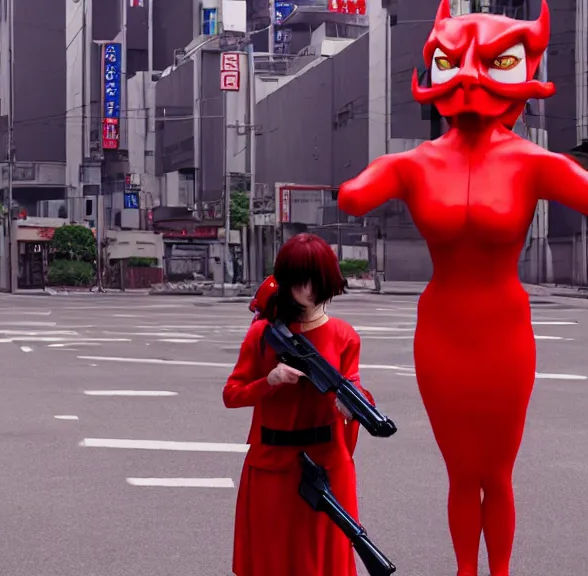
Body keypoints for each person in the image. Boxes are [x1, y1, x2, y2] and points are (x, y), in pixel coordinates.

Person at [336, 2, 588, 573]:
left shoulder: (533, 162)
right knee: (459, 472)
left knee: (497, 473)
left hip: (504, 334)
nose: (472, 77)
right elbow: (353, 195)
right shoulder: (416, 164)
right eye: (456, 62)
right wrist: (376, 177)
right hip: (443, 334)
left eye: (494, 63)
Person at [223, 233, 374, 576]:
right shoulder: (263, 334)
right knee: (272, 558)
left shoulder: (344, 335)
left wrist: (352, 405)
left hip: (327, 464)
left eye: (314, 281)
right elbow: (232, 394)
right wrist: (269, 381)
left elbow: (354, 385)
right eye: (298, 281)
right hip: (273, 467)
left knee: (325, 559)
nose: (307, 290)